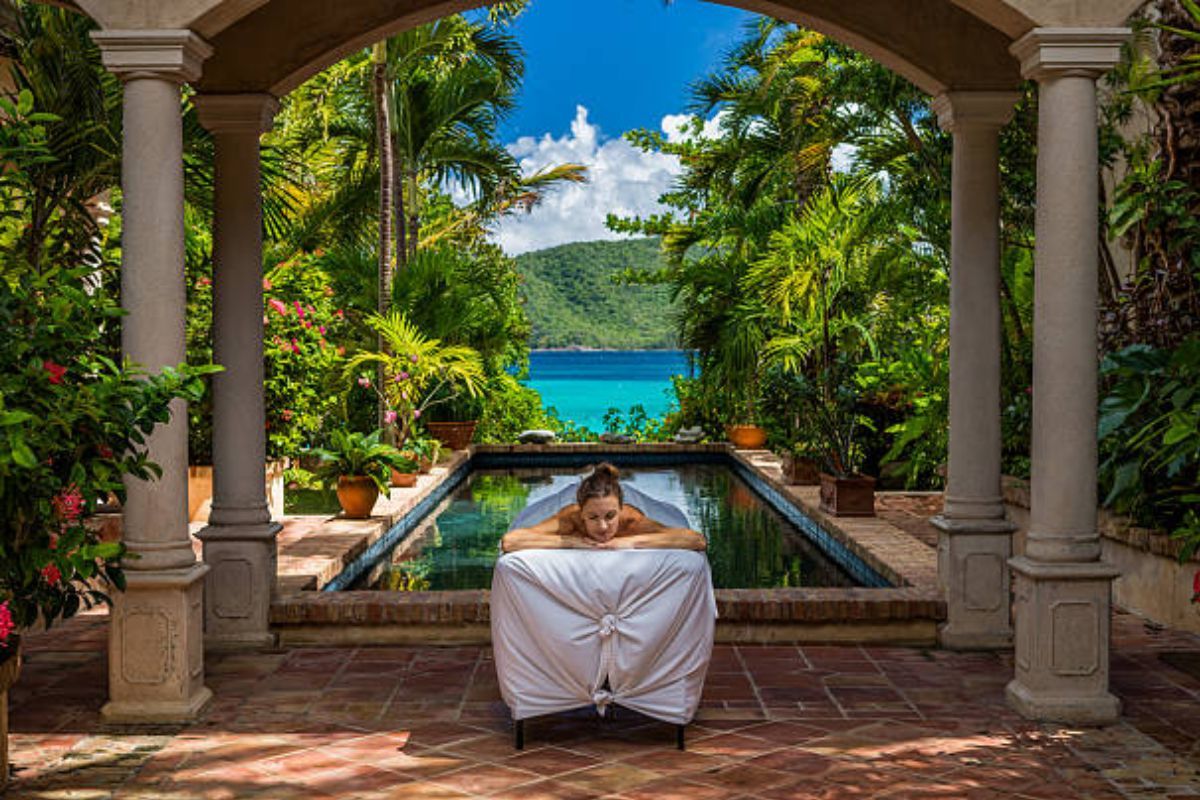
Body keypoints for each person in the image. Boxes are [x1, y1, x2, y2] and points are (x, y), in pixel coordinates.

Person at [500, 462, 707, 553]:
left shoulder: (630, 520)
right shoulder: (570, 519)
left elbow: (697, 540)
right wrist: (571, 542)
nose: (603, 527)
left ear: (620, 510)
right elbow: (510, 541)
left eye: (610, 516)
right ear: (581, 513)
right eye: (593, 517)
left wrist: (630, 542)